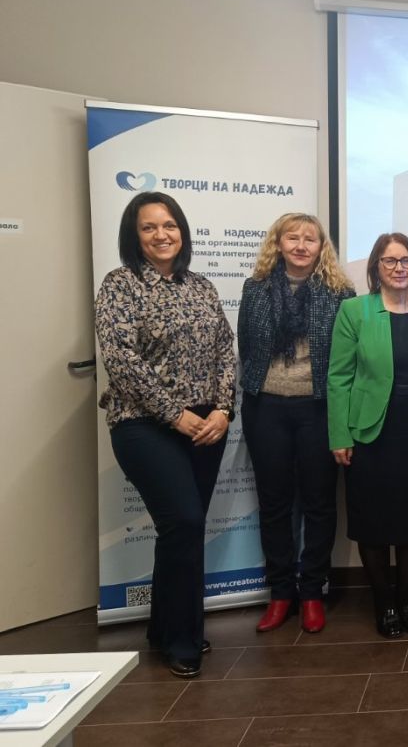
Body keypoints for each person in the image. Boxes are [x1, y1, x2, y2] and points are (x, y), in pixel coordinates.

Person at [95, 192, 236, 678]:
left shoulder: (201, 286)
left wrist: (223, 409)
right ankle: (182, 638)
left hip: (206, 427)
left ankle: (166, 629)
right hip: (143, 424)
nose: (162, 235)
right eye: (149, 227)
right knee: (185, 520)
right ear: (134, 236)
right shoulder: (120, 285)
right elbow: (121, 360)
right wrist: (175, 414)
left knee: (181, 529)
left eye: (170, 225)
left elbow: (225, 350)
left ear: (182, 231)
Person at [327, 233, 408, 639]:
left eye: (406, 260)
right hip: (371, 434)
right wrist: (339, 435)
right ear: (376, 268)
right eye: (389, 261)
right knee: (372, 523)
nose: (399, 268)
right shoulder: (355, 311)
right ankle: (383, 603)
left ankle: (406, 600)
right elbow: (338, 378)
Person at [238, 213, 355, 635]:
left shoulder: (340, 293)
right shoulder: (255, 289)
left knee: (319, 503)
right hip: (265, 407)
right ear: (279, 243)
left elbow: (347, 359)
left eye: (310, 239)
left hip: (318, 408)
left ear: (322, 247)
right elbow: (246, 348)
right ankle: (281, 592)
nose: (302, 246)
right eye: (293, 238)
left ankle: (311, 592)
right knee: (274, 504)